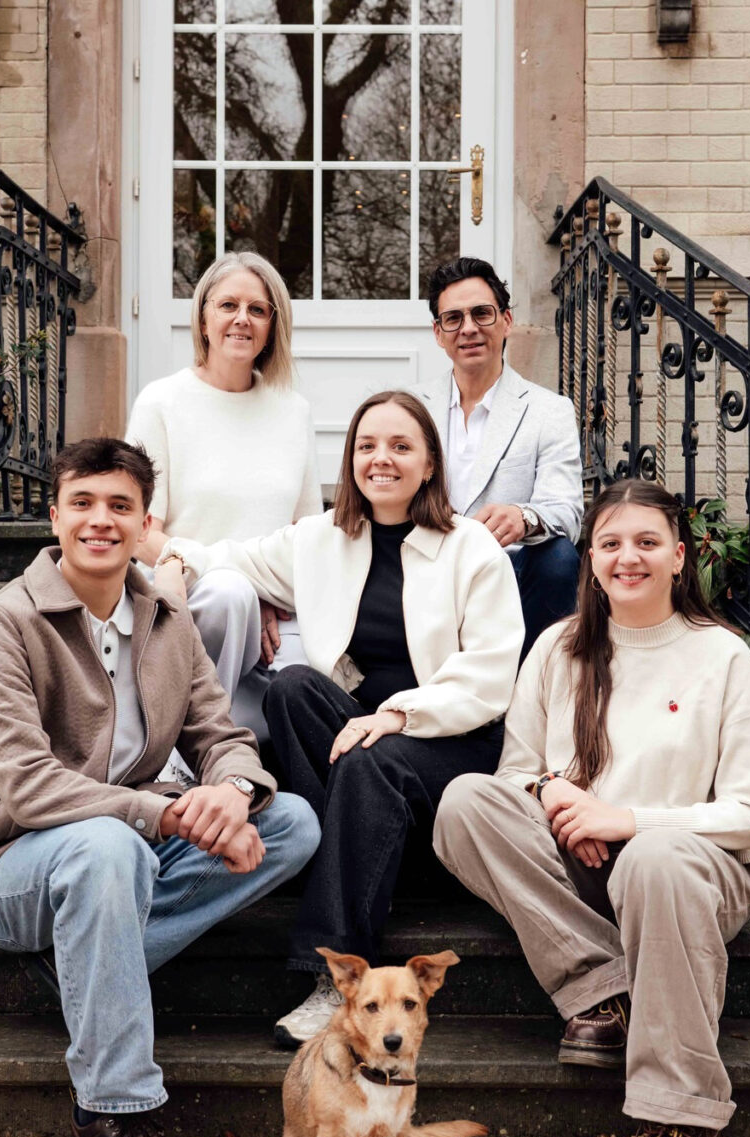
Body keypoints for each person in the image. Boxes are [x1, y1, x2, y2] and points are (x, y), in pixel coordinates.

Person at [0, 438, 320, 1137]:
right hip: (13, 870)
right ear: (55, 518)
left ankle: (89, 960)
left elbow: (220, 735)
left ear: (145, 524)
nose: (100, 520)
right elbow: (27, 786)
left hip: (126, 851)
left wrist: (234, 792)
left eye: (120, 506)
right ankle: (108, 1115)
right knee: (106, 844)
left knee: (291, 822)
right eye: (82, 503)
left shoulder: (166, 619)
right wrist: (168, 812)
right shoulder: (4, 621)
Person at [433, 480, 750, 1137]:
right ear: (589, 559)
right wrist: (558, 801)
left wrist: (625, 821)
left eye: (647, 542)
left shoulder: (722, 656)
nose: (629, 558)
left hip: (694, 870)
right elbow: (516, 776)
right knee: (465, 803)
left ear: (678, 557)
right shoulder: (557, 649)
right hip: (584, 863)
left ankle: (680, 1116)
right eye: (611, 543)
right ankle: (604, 991)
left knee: (655, 859)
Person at [156, 391, 524, 1049]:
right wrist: (174, 565)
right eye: (367, 445)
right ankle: (347, 861)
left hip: (450, 737)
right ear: (350, 458)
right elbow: (229, 559)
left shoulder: (471, 549)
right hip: (364, 738)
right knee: (292, 689)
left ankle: (336, 977)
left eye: (401, 446)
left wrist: (398, 715)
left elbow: (492, 674)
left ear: (430, 465)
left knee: (367, 757)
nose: (381, 459)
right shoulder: (323, 538)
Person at [125, 252, 321, 740]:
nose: (242, 319)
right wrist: (247, 586)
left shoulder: (293, 410)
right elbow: (140, 532)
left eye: (257, 309)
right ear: (203, 319)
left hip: (271, 600)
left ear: (273, 325)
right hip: (187, 591)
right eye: (228, 305)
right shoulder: (161, 401)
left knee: (316, 670)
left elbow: (307, 535)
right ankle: (192, 746)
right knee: (231, 594)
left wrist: (266, 592)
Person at [414, 256, 584, 658]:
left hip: (509, 576)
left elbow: (567, 512)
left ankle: (533, 681)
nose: (468, 328)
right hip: (427, 569)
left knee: (559, 556)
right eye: (453, 318)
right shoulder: (411, 407)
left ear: (506, 321)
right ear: (438, 333)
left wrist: (523, 517)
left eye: (482, 313)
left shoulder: (549, 411)